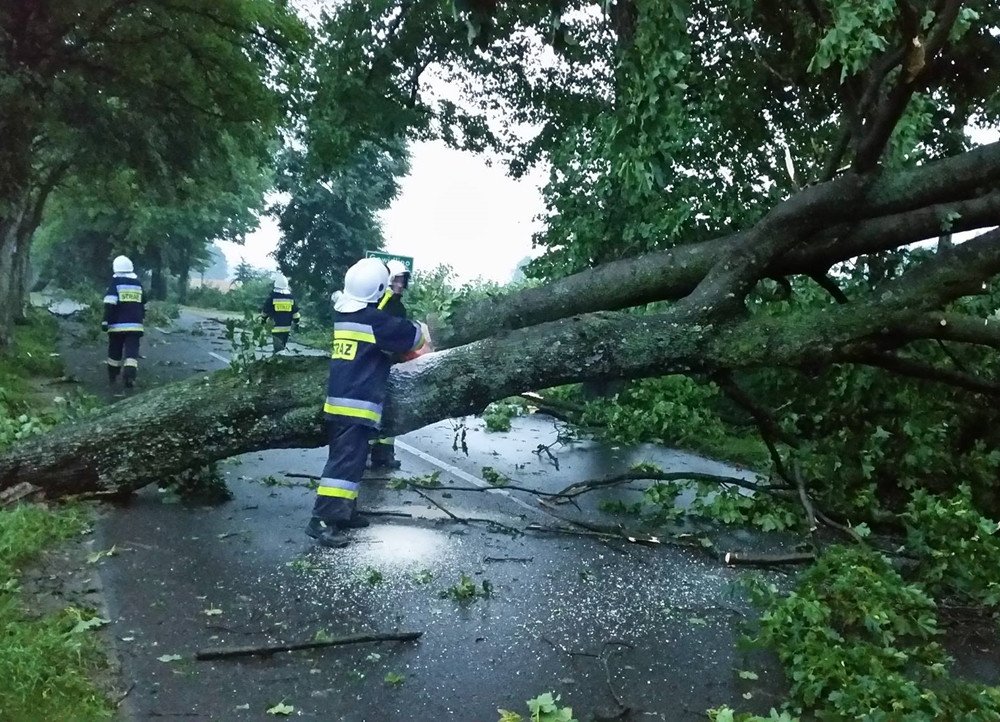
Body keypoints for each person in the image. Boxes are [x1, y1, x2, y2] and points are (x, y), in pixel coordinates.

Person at [306, 258, 427, 548]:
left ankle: (344, 512)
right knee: (343, 465)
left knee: (352, 462)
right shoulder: (374, 321)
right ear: (380, 288)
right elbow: (412, 337)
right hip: (355, 403)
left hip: (342, 399)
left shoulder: (345, 314)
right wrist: (423, 327)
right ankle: (322, 521)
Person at [369, 259, 411, 470]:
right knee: (372, 410)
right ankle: (366, 453)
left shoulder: (399, 308)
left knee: (391, 409)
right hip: (373, 363)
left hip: (393, 364)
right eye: (397, 280)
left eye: (402, 281)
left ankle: (384, 454)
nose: (400, 285)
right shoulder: (376, 304)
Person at [102, 255, 146, 389]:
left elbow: (110, 303)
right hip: (135, 326)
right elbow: (144, 302)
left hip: (116, 325)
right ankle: (130, 375)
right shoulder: (138, 284)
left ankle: (113, 375)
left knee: (115, 351)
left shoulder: (115, 283)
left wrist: (105, 320)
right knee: (132, 352)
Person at [260, 273, 300, 353]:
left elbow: (265, 311)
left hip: (275, 328)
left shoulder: (272, 297)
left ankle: (279, 358)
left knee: (278, 350)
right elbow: (295, 313)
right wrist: (297, 324)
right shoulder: (290, 298)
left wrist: (263, 321)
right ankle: (282, 357)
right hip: (287, 328)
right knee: (282, 347)